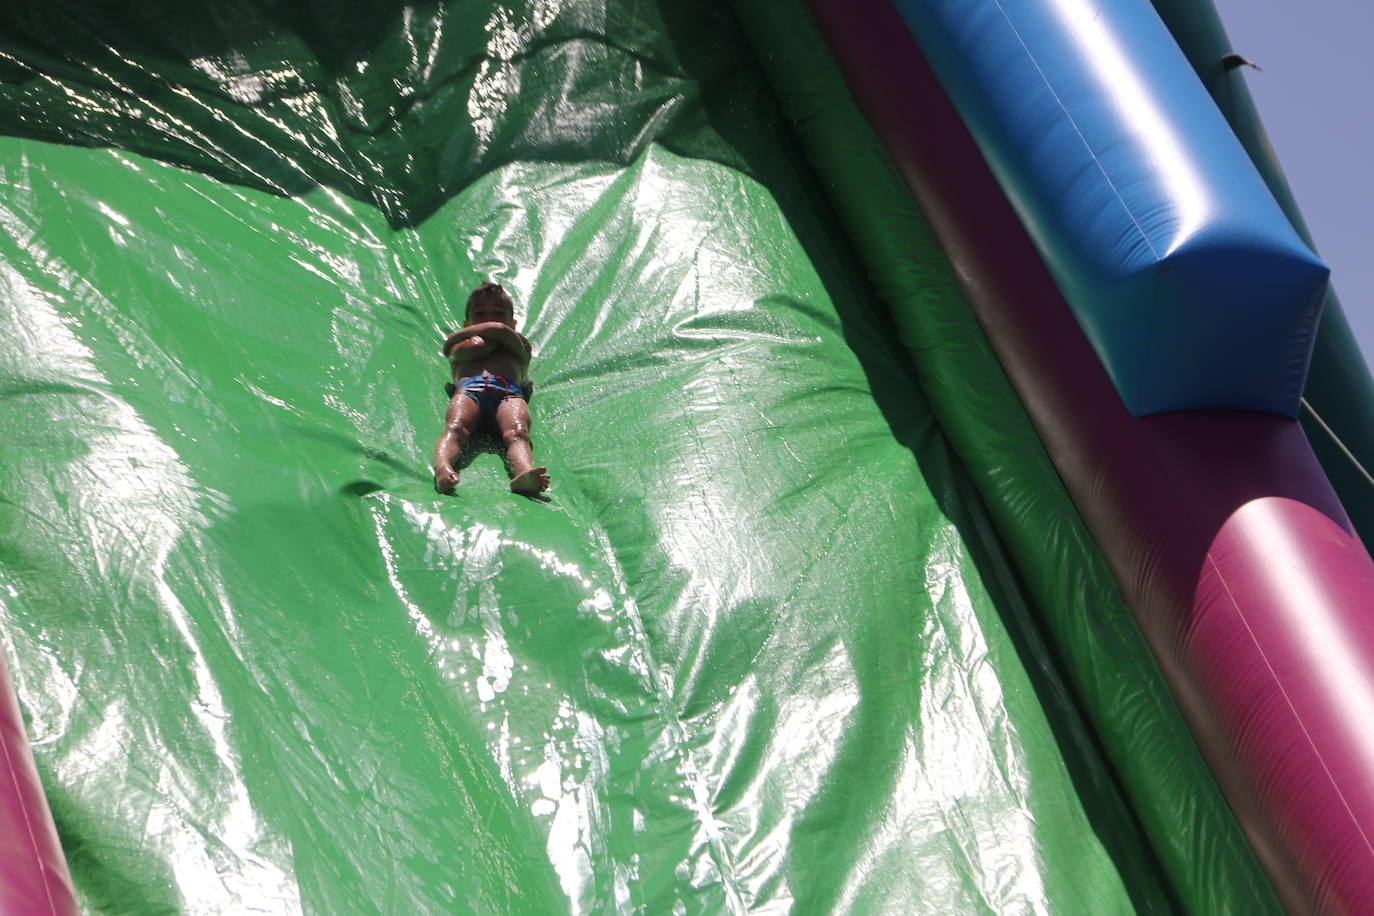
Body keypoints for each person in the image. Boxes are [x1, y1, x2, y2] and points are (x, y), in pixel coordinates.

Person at [433, 282, 550, 494]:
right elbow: (476, 347)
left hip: (509, 392)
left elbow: (499, 331)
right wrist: (481, 337)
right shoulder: (463, 345)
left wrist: (457, 335)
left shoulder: (521, 344)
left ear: (513, 324)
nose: (489, 318)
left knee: (518, 432)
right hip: (470, 389)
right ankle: (443, 468)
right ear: (466, 322)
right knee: (456, 428)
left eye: (498, 312)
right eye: (480, 314)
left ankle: (524, 473)